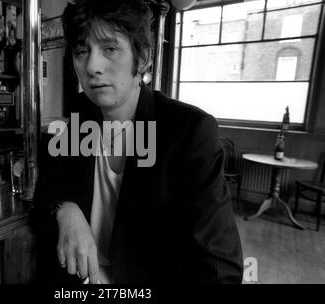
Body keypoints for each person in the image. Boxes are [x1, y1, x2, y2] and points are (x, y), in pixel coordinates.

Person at [35, 0, 243, 284]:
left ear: (142, 58)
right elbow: (48, 182)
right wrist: (65, 209)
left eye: (109, 48)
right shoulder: (82, 114)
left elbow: (220, 269)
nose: (93, 66)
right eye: (82, 51)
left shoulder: (187, 131)